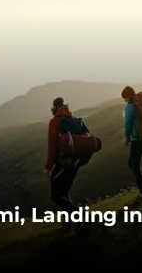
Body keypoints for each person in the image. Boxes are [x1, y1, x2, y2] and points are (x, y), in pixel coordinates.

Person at [44, 97, 91, 235]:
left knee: (56, 196)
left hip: (63, 163)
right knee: (64, 191)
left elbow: (52, 147)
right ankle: (68, 224)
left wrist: (47, 167)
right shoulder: (74, 120)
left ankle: (80, 217)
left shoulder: (54, 122)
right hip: (75, 162)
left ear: (53, 108)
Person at [121, 86, 142, 197]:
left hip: (137, 140)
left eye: (125, 98)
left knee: (135, 165)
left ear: (128, 96)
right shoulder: (141, 104)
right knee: (133, 163)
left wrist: (127, 137)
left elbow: (128, 123)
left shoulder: (130, 107)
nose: (124, 100)